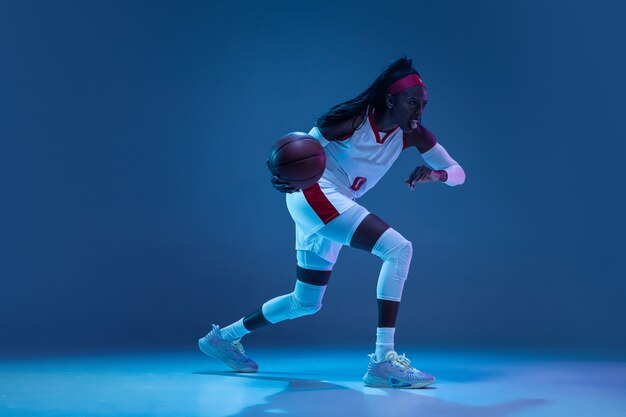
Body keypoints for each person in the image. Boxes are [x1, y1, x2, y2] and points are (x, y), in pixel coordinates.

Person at [199, 57, 465, 389]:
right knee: (398, 249)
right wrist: (282, 172)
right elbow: (302, 151)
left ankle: (224, 338)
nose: (419, 112)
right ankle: (383, 361)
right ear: (391, 100)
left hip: (331, 203)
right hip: (315, 193)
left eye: (423, 105)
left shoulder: (412, 136)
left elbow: (459, 173)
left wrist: (437, 174)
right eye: (413, 103)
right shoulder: (352, 121)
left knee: (305, 302)